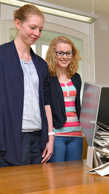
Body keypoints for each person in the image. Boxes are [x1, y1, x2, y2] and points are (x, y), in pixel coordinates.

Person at [0, 4, 54, 167]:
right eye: (33, 27)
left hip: (37, 139)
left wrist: (50, 136)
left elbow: (46, 104)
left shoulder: (41, 64)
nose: (37, 33)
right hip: (11, 138)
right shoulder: (2, 56)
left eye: (40, 29)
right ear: (18, 23)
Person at [46, 36, 83, 162]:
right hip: (57, 135)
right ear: (53, 53)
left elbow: (77, 104)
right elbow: (47, 107)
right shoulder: (48, 77)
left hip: (77, 134)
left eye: (68, 53)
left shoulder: (76, 77)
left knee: (74, 176)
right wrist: (50, 134)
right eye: (60, 53)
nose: (64, 56)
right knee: (56, 176)